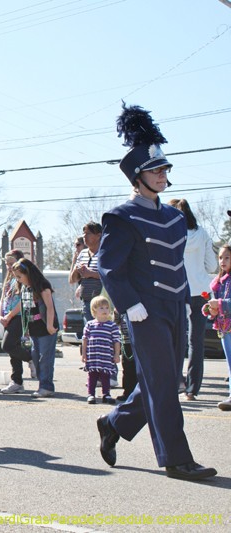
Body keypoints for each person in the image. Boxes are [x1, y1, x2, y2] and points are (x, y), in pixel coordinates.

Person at [96, 103, 216, 480]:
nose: (163, 174)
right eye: (155, 170)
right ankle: (176, 459)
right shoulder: (122, 217)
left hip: (177, 306)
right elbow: (108, 266)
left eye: (164, 168)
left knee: (163, 381)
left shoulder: (176, 217)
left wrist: (192, 301)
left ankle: (114, 423)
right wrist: (129, 304)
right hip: (143, 311)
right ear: (137, 177)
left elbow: (177, 264)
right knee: (164, 384)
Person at [168, 198, 215, 401]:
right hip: (202, 293)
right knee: (196, 342)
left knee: (175, 340)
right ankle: (193, 389)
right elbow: (212, 266)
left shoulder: (171, 234)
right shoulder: (202, 233)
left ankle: (177, 381)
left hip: (178, 292)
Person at [12, 258, 59, 398]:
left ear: (28, 273)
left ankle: (46, 386)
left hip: (46, 328)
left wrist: (50, 325)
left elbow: (49, 306)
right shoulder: (25, 288)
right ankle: (42, 384)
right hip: (34, 329)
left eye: (20, 276)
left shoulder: (42, 285)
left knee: (45, 358)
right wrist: (25, 328)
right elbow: (26, 309)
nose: (18, 280)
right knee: (35, 357)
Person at [0, 250, 32, 394]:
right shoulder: (8, 280)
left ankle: (32, 358)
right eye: (7, 264)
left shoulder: (22, 280)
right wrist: (1, 316)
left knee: (7, 345)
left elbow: (24, 302)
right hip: (7, 318)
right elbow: (2, 299)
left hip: (17, 317)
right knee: (13, 351)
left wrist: (10, 316)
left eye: (12, 264)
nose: (9, 267)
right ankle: (17, 381)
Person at [205, 244, 231, 411]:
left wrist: (219, 304)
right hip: (224, 328)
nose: (222, 261)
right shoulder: (219, 282)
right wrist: (210, 309)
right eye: (220, 257)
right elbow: (214, 308)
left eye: (227, 257)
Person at [81, 296, 120, 404]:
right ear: (94, 310)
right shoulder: (90, 325)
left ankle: (106, 394)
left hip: (106, 356)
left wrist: (117, 354)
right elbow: (85, 339)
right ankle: (91, 394)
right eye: (101, 308)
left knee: (105, 375)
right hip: (93, 356)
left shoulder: (112, 326)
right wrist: (84, 353)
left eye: (107, 307)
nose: (105, 310)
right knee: (92, 375)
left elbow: (117, 341)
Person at [69, 223, 103, 322]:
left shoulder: (105, 253)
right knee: (91, 334)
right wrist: (76, 270)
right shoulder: (83, 254)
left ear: (98, 236)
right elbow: (72, 280)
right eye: (84, 233)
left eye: (88, 234)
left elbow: (111, 276)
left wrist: (91, 273)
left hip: (103, 305)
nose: (84, 237)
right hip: (86, 303)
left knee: (102, 334)